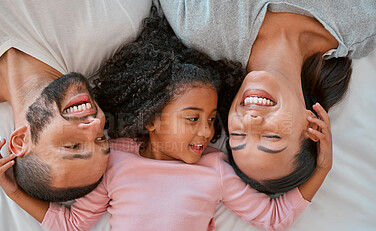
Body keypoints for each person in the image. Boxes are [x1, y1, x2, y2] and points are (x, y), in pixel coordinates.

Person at [0, 9, 332, 231]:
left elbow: (276, 218)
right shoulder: (114, 160)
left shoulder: (215, 170)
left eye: (213, 120)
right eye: (193, 119)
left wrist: (320, 169)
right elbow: (71, 225)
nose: (208, 132)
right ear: (151, 121)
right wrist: (12, 191)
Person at [159, 0, 376, 194]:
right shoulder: (363, 26)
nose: (251, 121)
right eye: (271, 137)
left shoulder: (201, 27)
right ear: (312, 126)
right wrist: (322, 169)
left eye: (238, 135)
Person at [0, 0, 152, 201]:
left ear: (20, 141)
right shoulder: (116, 25)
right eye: (100, 139)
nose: (96, 124)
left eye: (73, 146)